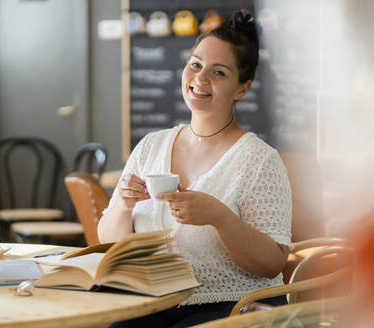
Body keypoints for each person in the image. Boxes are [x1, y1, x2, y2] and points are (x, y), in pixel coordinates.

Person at [98, 9, 292, 327]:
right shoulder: (150, 146)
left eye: (218, 73)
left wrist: (220, 218)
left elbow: (272, 263)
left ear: (242, 88)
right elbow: (108, 241)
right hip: (153, 302)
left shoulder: (260, 160)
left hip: (232, 307)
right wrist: (122, 203)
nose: (200, 79)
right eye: (196, 65)